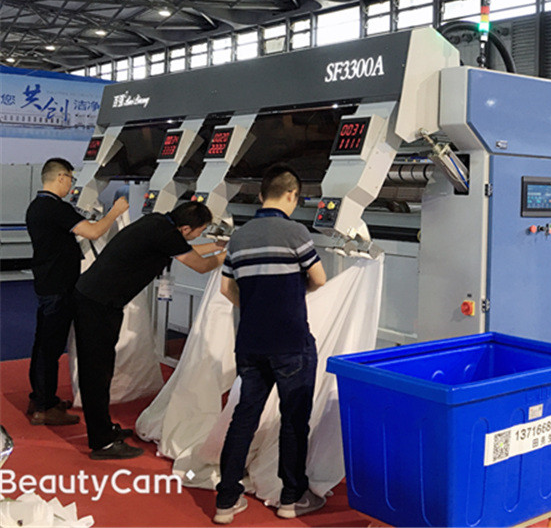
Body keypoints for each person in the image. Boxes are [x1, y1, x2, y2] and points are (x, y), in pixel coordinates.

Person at [214, 164, 327, 525]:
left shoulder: (239, 237)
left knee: (244, 417)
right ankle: (290, 499)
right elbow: (319, 278)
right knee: (294, 421)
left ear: (262, 195)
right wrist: (291, 294)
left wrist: (256, 307)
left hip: (250, 343)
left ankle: (226, 501)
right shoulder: (296, 232)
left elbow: (226, 288)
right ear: (292, 195)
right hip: (291, 342)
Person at [73, 200, 226, 460]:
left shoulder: (158, 223)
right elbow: (201, 266)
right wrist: (228, 254)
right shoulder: (165, 234)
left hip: (97, 299)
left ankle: (104, 429)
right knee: (96, 372)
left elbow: (186, 249)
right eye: (200, 231)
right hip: (98, 304)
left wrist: (217, 246)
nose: (200, 235)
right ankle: (101, 442)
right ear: (186, 228)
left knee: (102, 368)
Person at [25, 157, 129, 425]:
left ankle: (41, 398)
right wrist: (115, 212)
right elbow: (93, 232)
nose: (71, 185)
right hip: (58, 287)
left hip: (47, 282)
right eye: (71, 179)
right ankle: (44, 407)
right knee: (49, 348)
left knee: (43, 344)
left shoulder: (37, 206)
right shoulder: (55, 208)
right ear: (61, 177)